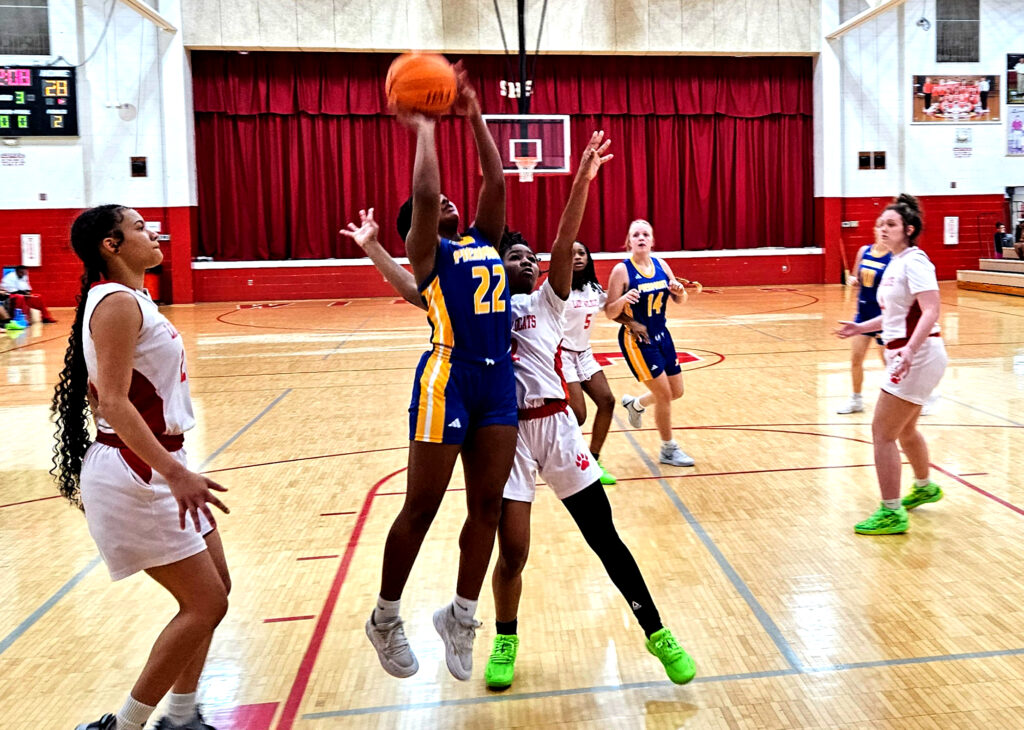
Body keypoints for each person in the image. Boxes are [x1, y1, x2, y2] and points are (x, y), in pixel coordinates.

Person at [347, 131, 696, 691]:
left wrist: (580, 182)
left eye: (528, 255)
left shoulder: (547, 303)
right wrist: (375, 248)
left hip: (550, 426)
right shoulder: (471, 294)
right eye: (515, 255)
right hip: (501, 430)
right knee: (511, 553)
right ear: (494, 263)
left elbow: (563, 240)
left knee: (603, 534)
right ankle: (502, 636)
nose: (527, 260)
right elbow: (418, 288)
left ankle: (657, 632)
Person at [355, 67, 518, 682]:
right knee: (421, 505)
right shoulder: (429, 257)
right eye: (437, 205)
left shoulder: (483, 240)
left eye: (455, 202)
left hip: (497, 381)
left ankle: (462, 613)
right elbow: (425, 198)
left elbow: (494, 178)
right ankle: (385, 617)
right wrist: (424, 127)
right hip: (445, 379)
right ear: (415, 234)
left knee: (488, 507)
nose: (449, 202)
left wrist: (473, 112)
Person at [54, 205, 231, 730]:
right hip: (140, 471)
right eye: (138, 227)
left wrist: (175, 466)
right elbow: (111, 401)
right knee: (204, 604)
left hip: (157, 461)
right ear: (110, 245)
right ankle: (127, 725)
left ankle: (181, 716)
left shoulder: (130, 299)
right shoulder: (115, 303)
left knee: (216, 589)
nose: (154, 232)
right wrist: (172, 473)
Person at [836, 194, 946, 535]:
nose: (883, 229)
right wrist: (861, 327)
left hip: (918, 354)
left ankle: (891, 512)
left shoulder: (915, 261)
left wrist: (911, 350)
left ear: (908, 230)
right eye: (881, 223)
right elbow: (892, 315)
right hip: (911, 352)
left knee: (882, 434)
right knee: (906, 430)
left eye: (891, 224)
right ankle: (925, 486)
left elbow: (931, 309)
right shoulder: (895, 262)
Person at [605, 220, 694, 467]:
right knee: (664, 394)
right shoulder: (621, 271)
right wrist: (623, 299)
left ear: (652, 240)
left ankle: (636, 404)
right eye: (636, 234)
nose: (641, 238)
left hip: (662, 335)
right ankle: (668, 449)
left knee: (676, 391)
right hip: (637, 340)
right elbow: (609, 312)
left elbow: (681, 300)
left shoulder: (661, 265)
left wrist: (678, 290)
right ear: (629, 241)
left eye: (646, 234)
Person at [561, 241, 642, 486]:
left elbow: (610, 309)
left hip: (583, 352)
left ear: (588, 258)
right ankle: (565, 459)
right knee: (578, 414)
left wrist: (631, 323)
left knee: (607, 401)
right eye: (571, 253)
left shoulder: (593, 288)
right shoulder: (556, 289)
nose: (577, 257)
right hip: (561, 354)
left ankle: (593, 460)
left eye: (581, 253)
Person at [837, 230, 891, 414]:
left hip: (883, 316)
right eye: (879, 226)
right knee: (856, 359)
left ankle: (905, 398)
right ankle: (856, 399)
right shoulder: (864, 251)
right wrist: (852, 280)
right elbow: (856, 278)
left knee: (890, 363)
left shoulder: (893, 257)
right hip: (863, 314)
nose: (882, 230)